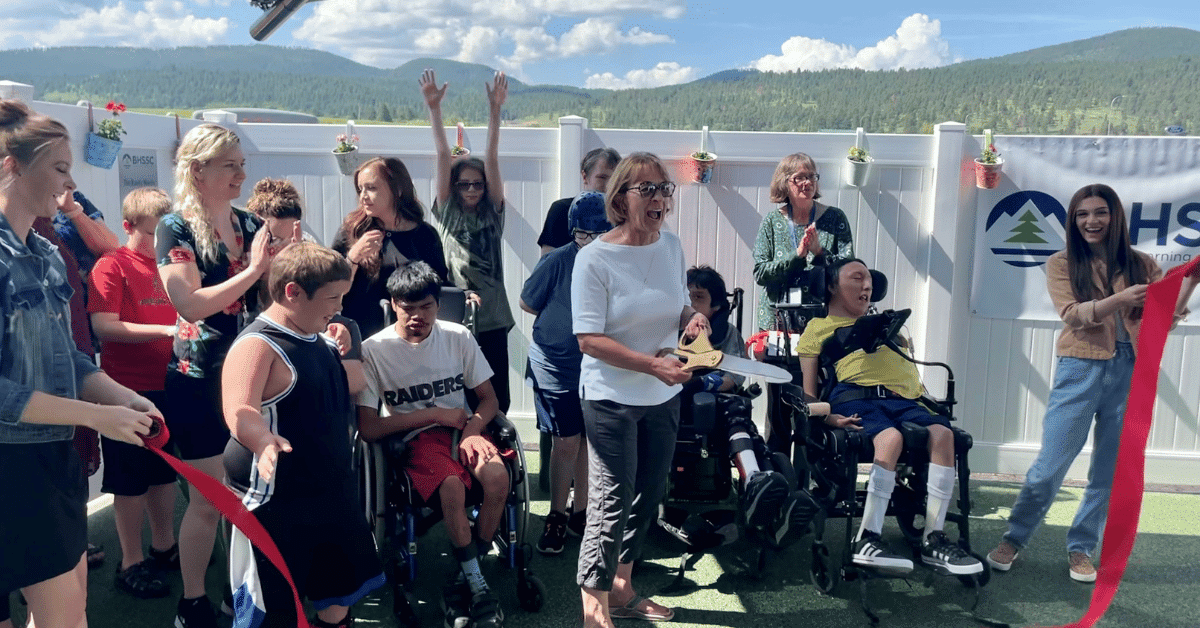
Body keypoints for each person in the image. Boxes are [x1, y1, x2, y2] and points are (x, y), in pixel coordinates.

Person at [987, 184, 1199, 582]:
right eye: (1082, 214)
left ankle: (1082, 548)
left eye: (1099, 213)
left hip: (1131, 371)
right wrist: (1119, 301)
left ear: (1115, 217)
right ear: (1073, 221)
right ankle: (1013, 539)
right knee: (1050, 466)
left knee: (1110, 470)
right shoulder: (1062, 263)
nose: (1091, 221)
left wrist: (1191, 283)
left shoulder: (1143, 265)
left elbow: (1162, 320)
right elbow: (1071, 313)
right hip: (1080, 367)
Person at [0, 98, 157, 628]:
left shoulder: (45, 254)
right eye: (61, 169)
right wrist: (91, 417)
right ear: (11, 166)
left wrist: (119, 398)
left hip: (50, 460)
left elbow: (68, 355)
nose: (69, 189)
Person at [572, 152, 709, 627]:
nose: (658, 199)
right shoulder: (593, 259)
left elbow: (675, 308)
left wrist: (690, 318)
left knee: (647, 496)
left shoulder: (670, 247)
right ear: (620, 199)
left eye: (663, 189)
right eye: (645, 189)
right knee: (611, 501)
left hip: (662, 397)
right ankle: (594, 609)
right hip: (611, 399)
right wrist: (653, 365)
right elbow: (588, 340)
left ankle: (622, 589)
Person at [222, 242, 384, 628]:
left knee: (339, 596)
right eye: (332, 298)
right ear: (293, 292)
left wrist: (341, 344)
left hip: (330, 491)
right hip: (277, 500)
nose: (339, 308)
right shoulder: (257, 345)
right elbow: (239, 409)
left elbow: (344, 385)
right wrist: (262, 440)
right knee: (275, 609)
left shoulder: (321, 338)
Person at [157, 123, 276, 628]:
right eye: (231, 165)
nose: (242, 175)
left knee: (250, 497)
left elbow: (271, 301)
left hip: (249, 376)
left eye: (242, 164)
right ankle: (191, 602)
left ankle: (239, 595)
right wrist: (250, 271)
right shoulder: (174, 227)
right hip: (197, 377)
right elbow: (188, 303)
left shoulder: (251, 224)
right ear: (198, 169)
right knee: (213, 499)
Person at [795, 258, 983, 576]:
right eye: (857, 278)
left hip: (906, 402)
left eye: (869, 280)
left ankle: (934, 539)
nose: (866, 285)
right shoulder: (818, 329)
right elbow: (809, 392)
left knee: (944, 435)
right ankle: (867, 537)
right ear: (831, 286)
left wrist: (929, 402)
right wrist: (826, 418)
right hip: (857, 399)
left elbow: (914, 379)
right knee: (890, 438)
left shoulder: (890, 331)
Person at [357, 261, 510, 628]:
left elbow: (489, 400)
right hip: (415, 438)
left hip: (462, 431)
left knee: (498, 479)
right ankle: (476, 583)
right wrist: (436, 415)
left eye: (425, 307)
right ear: (393, 304)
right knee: (452, 487)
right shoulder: (373, 350)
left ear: (438, 305)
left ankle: (465, 573)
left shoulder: (458, 336)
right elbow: (368, 427)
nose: (416, 316)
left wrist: (473, 428)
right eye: (407, 308)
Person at [88, 187, 181, 599]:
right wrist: (166, 330)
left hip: (171, 384)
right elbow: (103, 326)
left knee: (163, 472)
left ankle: (164, 547)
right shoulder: (112, 265)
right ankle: (130, 563)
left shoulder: (173, 264)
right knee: (130, 482)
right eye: (153, 232)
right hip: (125, 389)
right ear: (127, 227)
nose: (162, 241)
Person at [683, 264, 814, 545]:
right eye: (688, 296)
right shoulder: (675, 329)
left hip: (719, 402)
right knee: (736, 411)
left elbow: (734, 375)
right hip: (682, 405)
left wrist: (706, 383)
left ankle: (771, 493)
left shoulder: (726, 333)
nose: (690, 303)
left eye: (698, 297)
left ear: (716, 305)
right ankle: (756, 480)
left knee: (739, 413)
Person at [521, 191, 611, 555]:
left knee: (588, 440)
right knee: (566, 440)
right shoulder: (558, 260)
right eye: (585, 235)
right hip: (555, 362)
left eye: (600, 234)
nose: (591, 242)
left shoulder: (616, 261)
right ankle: (557, 515)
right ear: (574, 232)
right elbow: (528, 301)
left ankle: (582, 513)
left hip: (595, 363)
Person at [421, 68, 515, 414]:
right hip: (455, 318)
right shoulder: (448, 214)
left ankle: (497, 451)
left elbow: (490, 158)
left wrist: (495, 110)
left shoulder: (493, 212)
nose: (473, 189)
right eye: (465, 184)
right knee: (457, 396)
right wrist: (435, 110)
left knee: (496, 397)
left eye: (478, 183)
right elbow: (444, 158)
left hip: (492, 317)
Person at [332, 158, 449, 338]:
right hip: (362, 337)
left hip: (412, 341)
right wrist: (353, 257)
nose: (363, 196)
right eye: (360, 189)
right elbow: (328, 285)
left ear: (398, 189)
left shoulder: (425, 235)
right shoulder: (352, 231)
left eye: (371, 188)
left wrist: (466, 294)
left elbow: (438, 285)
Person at [752, 152, 854, 332]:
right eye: (799, 178)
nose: (807, 182)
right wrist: (796, 256)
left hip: (822, 322)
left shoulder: (835, 218)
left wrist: (820, 253)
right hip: (777, 321)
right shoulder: (770, 222)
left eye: (811, 176)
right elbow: (760, 274)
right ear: (784, 182)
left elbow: (849, 272)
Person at [537, 148, 621, 254]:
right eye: (602, 177)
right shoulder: (561, 210)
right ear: (585, 176)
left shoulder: (622, 216)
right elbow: (548, 263)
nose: (610, 184)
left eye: (615, 179)